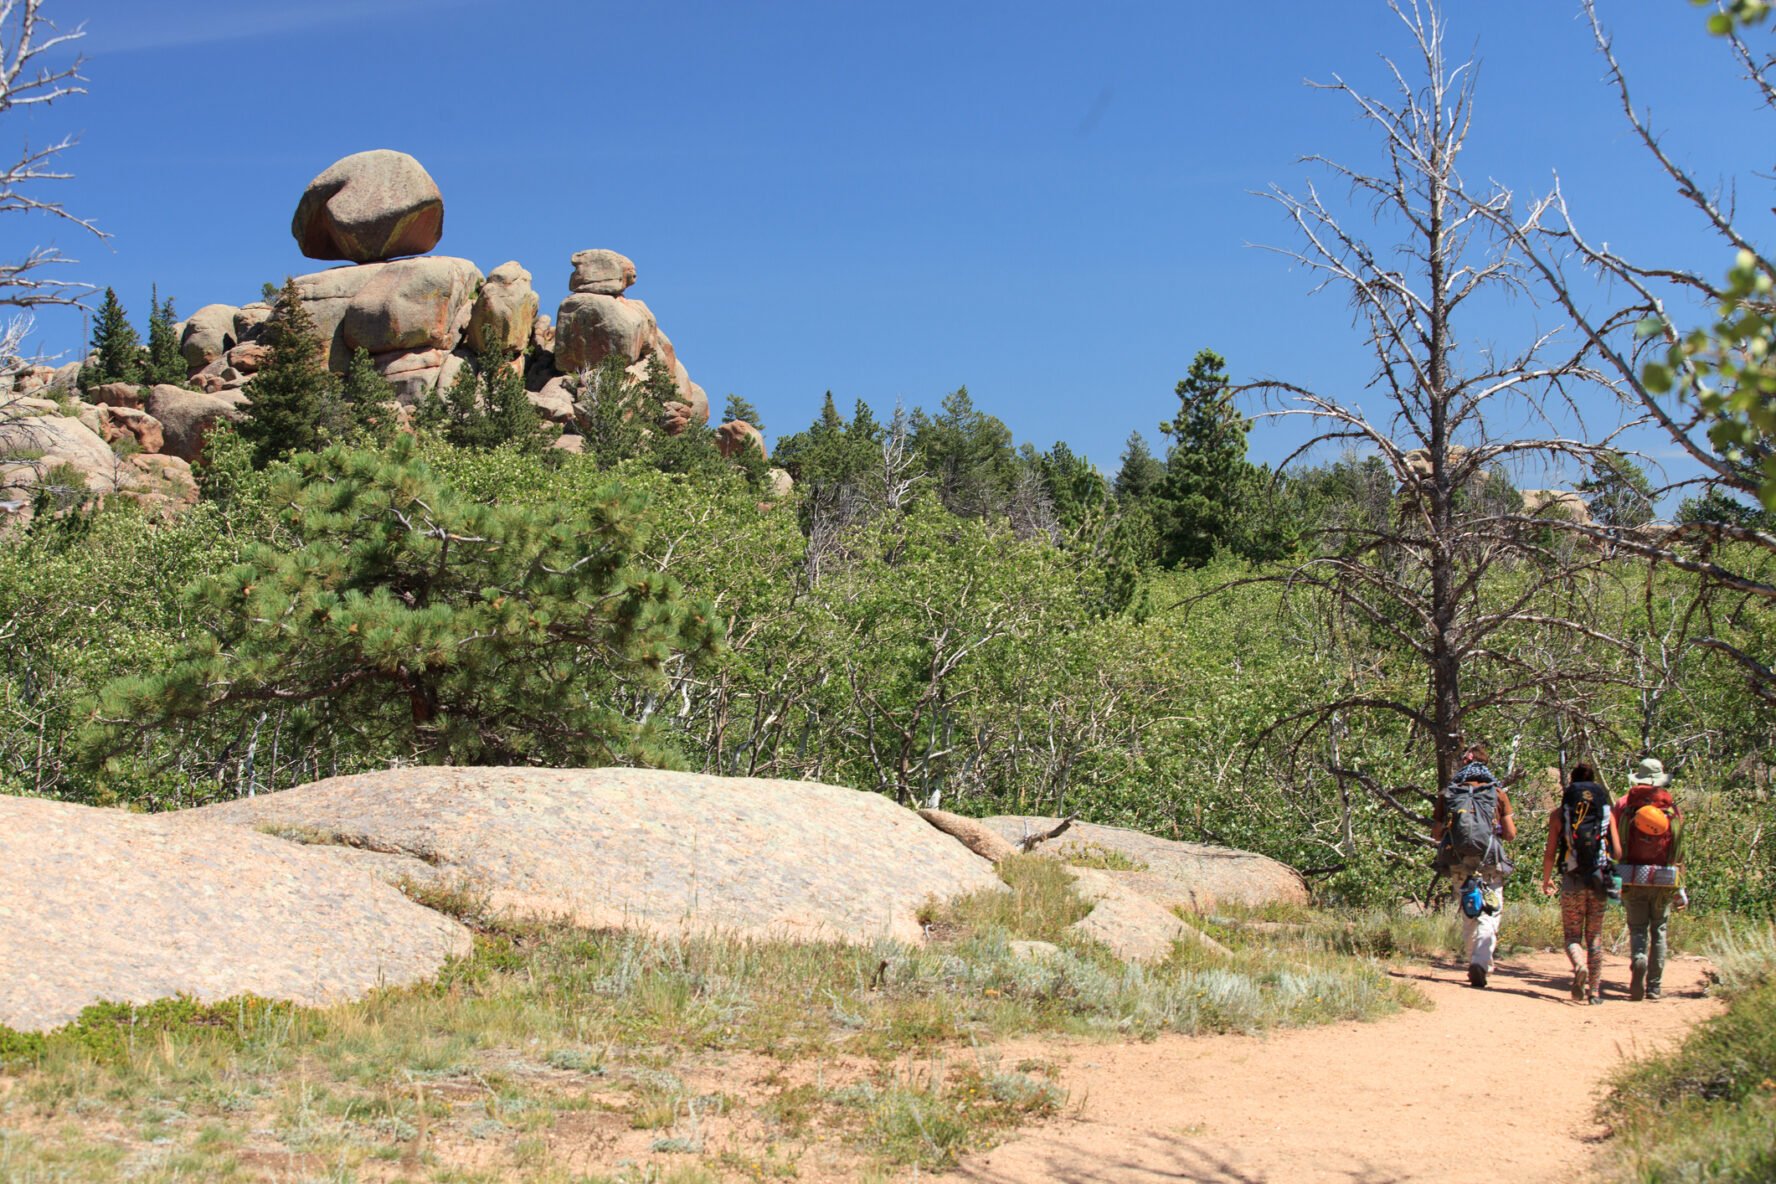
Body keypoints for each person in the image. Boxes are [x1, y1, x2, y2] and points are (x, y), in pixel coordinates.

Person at [1433, 743, 1516, 988]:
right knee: (1491, 911)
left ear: (1465, 764)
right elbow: (1510, 834)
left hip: (1458, 860)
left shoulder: (1449, 792)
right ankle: (1480, 962)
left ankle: (1475, 959)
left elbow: (1437, 833)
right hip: (1490, 859)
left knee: (1469, 909)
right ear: (1484, 764)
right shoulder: (1497, 793)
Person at [1540, 762, 1622, 1005]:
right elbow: (1617, 850)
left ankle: (1578, 965)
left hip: (1572, 879)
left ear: (1571, 785)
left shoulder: (1558, 814)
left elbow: (1550, 852)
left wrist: (1546, 880)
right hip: (1598, 880)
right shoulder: (1606, 813)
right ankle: (1594, 992)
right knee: (1594, 936)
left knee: (1572, 937)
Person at [1616, 757, 1686, 1001]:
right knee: (1660, 929)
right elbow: (1678, 850)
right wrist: (1681, 886)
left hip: (1632, 876)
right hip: (1663, 878)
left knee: (1637, 928)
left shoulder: (1625, 805)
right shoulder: (1671, 809)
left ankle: (1638, 959)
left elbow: (1613, 842)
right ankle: (1654, 986)